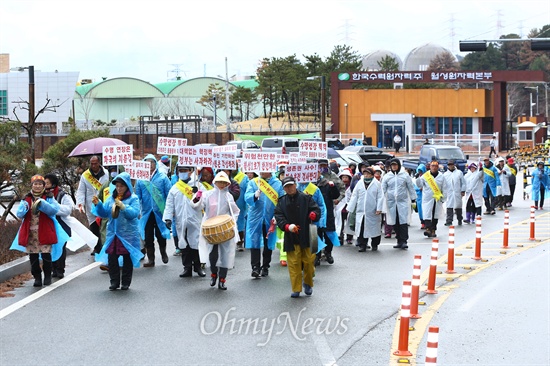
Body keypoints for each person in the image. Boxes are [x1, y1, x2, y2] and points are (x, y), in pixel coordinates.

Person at [11, 175, 68, 287]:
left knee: (46, 255)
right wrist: (24, 207)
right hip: (30, 232)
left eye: (40, 184)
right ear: (31, 185)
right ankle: (37, 276)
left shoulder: (49, 197)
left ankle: (47, 275)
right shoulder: (26, 198)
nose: (37, 186)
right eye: (35, 184)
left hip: (45, 230)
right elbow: (19, 214)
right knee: (33, 256)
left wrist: (43, 204)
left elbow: (54, 210)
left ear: (43, 186)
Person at [92, 172, 143, 290]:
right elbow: (104, 213)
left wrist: (124, 207)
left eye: (122, 186)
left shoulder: (133, 198)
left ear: (127, 186)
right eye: (117, 186)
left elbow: (134, 213)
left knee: (127, 258)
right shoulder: (111, 198)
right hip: (113, 233)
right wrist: (98, 204)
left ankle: (126, 282)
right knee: (112, 258)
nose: (119, 188)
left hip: (128, 234)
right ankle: (114, 282)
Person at [274, 176, 321, 298]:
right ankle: (296, 288)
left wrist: (314, 214)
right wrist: (287, 226)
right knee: (294, 264)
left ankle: (308, 283)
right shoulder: (281, 201)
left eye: (291, 185)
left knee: (310, 262)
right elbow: (279, 216)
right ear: (284, 189)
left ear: (295, 185)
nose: (289, 189)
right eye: (286, 187)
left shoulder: (306, 198)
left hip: (309, 234)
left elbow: (317, 209)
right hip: (291, 236)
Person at [199, 172, 240, 290]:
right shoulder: (207, 195)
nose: (221, 184)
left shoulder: (229, 196)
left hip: (224, 229)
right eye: (219, 182)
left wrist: (231, 222)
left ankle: (222, 279)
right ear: (215, 182)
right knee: (212, 253)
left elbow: (235, 211)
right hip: (210, 229)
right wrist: (197, 196)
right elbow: (198, 206)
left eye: (224, 182)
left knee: (226, 254)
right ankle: (213, 274)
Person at [163, 165, 205, 278]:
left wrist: (198, 195)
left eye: (185, 170)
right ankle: (187, 268)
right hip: (181, 220)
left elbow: (205, 201)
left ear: (191, 172)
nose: (182, 172)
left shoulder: (198, 185)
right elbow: (169, 204)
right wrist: (168, 218)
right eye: (180, 171)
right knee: (184, 244)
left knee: (196, 244)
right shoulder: (175, 188)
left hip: (195, 220)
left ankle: (198, 267)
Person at [244, 170, 284, 277]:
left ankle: (266, 266)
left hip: (270, 216)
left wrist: (277, 215)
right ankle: (255, 267)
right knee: (254, 241)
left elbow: (281, 200)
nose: (262, 171)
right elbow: (247, 197)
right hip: (255, 217)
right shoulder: (253, 182)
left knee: (268, 242)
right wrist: (254, 195)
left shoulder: (278, 184)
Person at [135, 154, 172, 267]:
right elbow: (137, 197)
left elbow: (169, 194)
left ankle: (163, 252)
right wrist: (138, 211)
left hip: (160, 211)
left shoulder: (162, 177)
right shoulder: (141, 179)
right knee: (148, 236)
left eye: (151, 162)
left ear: (155, 163)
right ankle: (151, 259)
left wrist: (168, 210)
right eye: (147, 162)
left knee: (161, 234)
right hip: (146, 212)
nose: (149, 164)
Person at [75, 155, 109, 255]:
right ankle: (97, 247)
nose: (93, 165)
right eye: (92, 163)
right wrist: (80, 203)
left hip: (103, 203)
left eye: (95, 163)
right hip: (90, 204)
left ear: (99, 163)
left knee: (103, 225)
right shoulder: (85, 175)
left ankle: (104, 245)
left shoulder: (106, 173)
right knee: (94, 226)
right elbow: (81, 191)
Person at [44, 173, 74, 279]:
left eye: (47, 183)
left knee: (61, 246)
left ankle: (60, 269)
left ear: (53, 184)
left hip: (62, 224)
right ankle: (53, 268)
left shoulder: (63, 195)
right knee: (51, 247)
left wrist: (54, 208)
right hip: (49, 225)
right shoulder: (43, 195)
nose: (45, 185)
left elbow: (67, 210)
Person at [314, 159, 344, 265]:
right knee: (315, 234)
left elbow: (336, 194)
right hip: (314, 214)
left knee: (328, 234)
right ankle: (316, 256)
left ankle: (328, 253)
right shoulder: (311, 184)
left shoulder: (328, 182)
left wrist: (333, 187)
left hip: (327, 212)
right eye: (318, 168)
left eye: (323, 167)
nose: (320, 171)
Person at [381, 159, 416, 249]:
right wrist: (380, 201)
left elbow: (410, 187)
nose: (394, 167)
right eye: (392, 165)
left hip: (403, 202)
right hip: (391, 202)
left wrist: (413, 198)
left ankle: (404, 240)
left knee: (403, 221)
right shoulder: (387, 176)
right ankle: (398, 240)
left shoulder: (405, 175)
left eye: (395, 165)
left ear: (399, 166)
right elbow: (383, 189)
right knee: (394, 222)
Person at [347, 167, 384, 252]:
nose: (366, 175)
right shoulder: (359, 183)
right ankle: (362, 245)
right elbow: (354, 195)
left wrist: (379, 208)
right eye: (365, 174)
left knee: (374, 228)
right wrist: (351, 207)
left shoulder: (377, 184)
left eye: (368, 174)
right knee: (361, 228)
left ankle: (375, 244)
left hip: (373, 211)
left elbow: (380, 197)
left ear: (372, 174)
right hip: (361, 210)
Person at [417, 161, 448, 238]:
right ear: (430, 167)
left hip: (437, 199)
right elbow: (420, 185)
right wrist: (417, 178)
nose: (434, 167)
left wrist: (443, 198)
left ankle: (433, 229)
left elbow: (444, 187)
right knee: (427, 214)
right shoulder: (425, 176)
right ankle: (427, 228)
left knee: (435, 215)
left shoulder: (441, 176)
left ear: (437, 167)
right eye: (432, 166)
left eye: (435, 166)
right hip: (427, 198)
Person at [443, 160, 466, 226]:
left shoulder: (459, 173)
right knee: (449, 206)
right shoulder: (445, 175)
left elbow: (463, 183)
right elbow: (444, 185)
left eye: (452, 164)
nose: (451, 166)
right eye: (449, 165)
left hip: (457, 192)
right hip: (449, 192)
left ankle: (459, 219)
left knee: (458, 206)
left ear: (454, 165)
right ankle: (449, 220)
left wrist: (463, 190)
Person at [414, 164, 427, 229]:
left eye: (421, 171)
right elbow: (414, 186)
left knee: (426, 210)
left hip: (426, 196)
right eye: (419, 171)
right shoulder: (416, 177)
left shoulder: (427, 177)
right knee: (420, 211)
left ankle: (427, 222)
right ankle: (422, 222)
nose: (420, 173)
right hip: (419, 196)